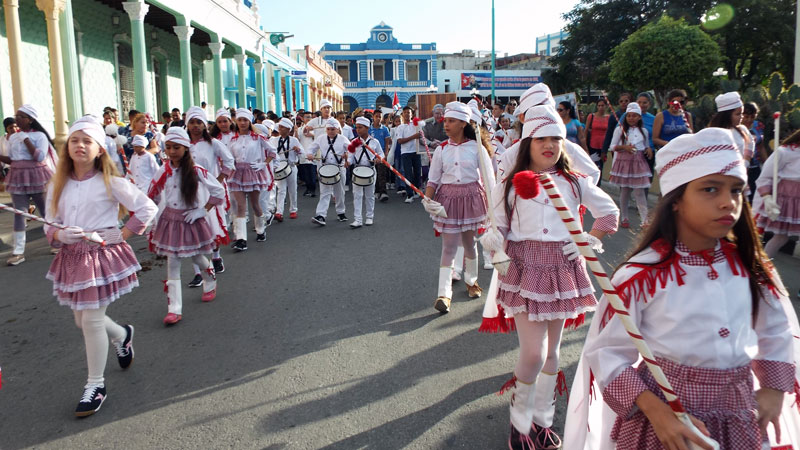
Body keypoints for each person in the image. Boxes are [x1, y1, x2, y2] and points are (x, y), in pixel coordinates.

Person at [565, 127, 800, 450]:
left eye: (735, 190)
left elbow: (776, 331)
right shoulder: (642, 275)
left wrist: (773, 389)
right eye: (710, 189)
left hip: (740, 414)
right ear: (676, 200)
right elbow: (607, 353)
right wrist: (657, 412)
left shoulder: (753, 269)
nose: (727, 203)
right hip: (663, 421)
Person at [480, 103, 618, 450]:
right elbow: (496, 228)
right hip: (526, 269)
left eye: (557, 138)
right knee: (534, 354)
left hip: (563, 268)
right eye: (541, 138)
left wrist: (589, 240)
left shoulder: (575, 183)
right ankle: (519, 424)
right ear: (528, 143)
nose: (550, 145)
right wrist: (496, 248)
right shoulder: (510, 184)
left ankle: (541, 422)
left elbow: (609, 214)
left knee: (553, 353)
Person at [44, 116, 158, 417]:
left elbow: (147, 207)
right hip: (72, 258)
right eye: (74, 140)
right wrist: (60, 234)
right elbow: (49, 226)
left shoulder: (111, 181)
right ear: (67, 147)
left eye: (87, 141)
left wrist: (121, 234)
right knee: (81, 322)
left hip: (100, 256)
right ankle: (122, 335)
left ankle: (96, 385)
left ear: (99, 150)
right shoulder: (57, 186)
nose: (80, 145)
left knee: (92, 322)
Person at [147, 127, 226, 325]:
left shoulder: (197, 170)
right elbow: (152, 193)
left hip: (191, 219)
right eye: (169, 147)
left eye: (177, 147)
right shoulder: (163, 170)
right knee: (172, 261)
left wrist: (203, 210)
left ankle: (210, 279)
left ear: (185, 148)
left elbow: (218, 191)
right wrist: (151, 217)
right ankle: (174, 309)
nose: (172, 151)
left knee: (196, 255)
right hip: (170, 220)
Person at [422, 102, 494, 313]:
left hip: (472, 199)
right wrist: (427, 199)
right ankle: (444, 294)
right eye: (445, 120)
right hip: (449, 201)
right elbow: (433, 180)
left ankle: (471, 281)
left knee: (470, 244)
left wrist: (494, 208)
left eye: (451, 121)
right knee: (448, 247)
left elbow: (489, 181)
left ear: (463, 123)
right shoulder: (441, 149)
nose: (446, 125)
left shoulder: (478, 148)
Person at [496, 83, 601, 185]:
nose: (548, 145)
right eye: (536, 114)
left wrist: (571, 194)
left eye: (546, 112)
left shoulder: (569, 149)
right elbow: (501, 191)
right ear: (522, 118)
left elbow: (592, 174)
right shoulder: (510, 155)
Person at [1, 104, 57, 266]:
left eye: (20, 117)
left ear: (30, 120)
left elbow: (39, 157)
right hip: (17, 175)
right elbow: (12, 159)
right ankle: (18, 252)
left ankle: (55, 242)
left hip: (36, 175)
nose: (17, 119)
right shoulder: (12, 137)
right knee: (19, 213)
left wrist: (25, 139)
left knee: (46, 211)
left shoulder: (40, 136)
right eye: (16, 116)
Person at [185, 106, 234, 278]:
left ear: (205, 125)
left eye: (199, 122)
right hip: (189, 192)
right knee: (191, 228)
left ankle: (216, 256)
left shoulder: (213, 143)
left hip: (210, 193)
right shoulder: (182, 145)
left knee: (212, 226)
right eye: (192, 122)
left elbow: (229, 162)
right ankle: (198, 271)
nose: (195, 126)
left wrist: (218, 181)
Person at [227, 108, 276, 249]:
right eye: (240, 120)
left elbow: (272, 152)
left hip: (253, 173)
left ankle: (261, 229)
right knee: (240, 206)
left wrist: (263, 163)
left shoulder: (258, 137)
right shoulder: (233, 139)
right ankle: (241, 239)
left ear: (250, 122)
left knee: (255, 205)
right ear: (236, 121)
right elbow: (229, 157)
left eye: (245, 120)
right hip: (237, 174)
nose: (242, 123)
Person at [755, 129, 800, 258]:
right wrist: (767, 197)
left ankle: (763, 265)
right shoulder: (784, 152)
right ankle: (762, 265)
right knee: (780, 237)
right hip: (786, 198)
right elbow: (765, 176)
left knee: (782, 237)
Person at [608, 103, 653, 228]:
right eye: (629, 116)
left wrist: (648, 149)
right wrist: (624, 147)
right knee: (625, 190)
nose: (631, 118)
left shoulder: (644, 131)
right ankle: (624, 217)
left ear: (639, 117)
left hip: (638, 162)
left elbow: (646, 145)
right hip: (624, 161)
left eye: (634, 116)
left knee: (639, 192)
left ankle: (644, 220)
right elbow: (612, 146)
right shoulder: (620, 130)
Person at [307, 118, 350, 226]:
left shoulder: (343, 139)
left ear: (337, 129)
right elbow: (311, 148)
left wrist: (347, 155)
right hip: (325, 168)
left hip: (339, 168)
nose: (331, 131)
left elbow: (352, 149)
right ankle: (320, 215)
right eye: (329, 129)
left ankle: (341, 212)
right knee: (324, 192)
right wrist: (310, 154)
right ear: (326, 129)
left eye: (333, 129)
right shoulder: (321, 138)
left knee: (339, 192)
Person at [348, 117, 384, 228]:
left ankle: (369, 217)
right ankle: (357, 219)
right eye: (357, 128)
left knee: (369, 195)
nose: (358, 130)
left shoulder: (374, 142)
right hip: (358, 170)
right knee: (357, 195)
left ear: (367, 128)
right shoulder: (354, 142)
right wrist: (348, 162)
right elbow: (350, 156)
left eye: (360, 127)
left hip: (370, 170)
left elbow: (381, 154)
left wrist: (379, 159)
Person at [270, 117, 304, 221]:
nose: (280, 129)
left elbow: (303, 153)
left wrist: (298, 150)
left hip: (291, 167)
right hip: (280, 168)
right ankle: (279, 212)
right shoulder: (274, 140)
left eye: (282, 127)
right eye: (279, 127)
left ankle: (293, 209)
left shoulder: (294, 140)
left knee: (292, 189)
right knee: (281, 190)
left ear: (288, 129)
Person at [709, 91, 754, 165]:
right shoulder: (714, 133)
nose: (741, 117)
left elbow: (750, 143)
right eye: (738, 114)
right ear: (726, 116)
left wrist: (746, 161)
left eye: (742, 113)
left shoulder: (742, 129)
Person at [395, 106, 423, 203]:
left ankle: (416, 191)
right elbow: (400, 141)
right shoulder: (400, 127)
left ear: (412, 114)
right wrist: (413, 137)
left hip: (416, 151)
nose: (407, 114)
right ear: (402, 114)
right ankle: (409, 194)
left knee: (417, 172)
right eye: (405, 112)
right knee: (408, 173)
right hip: (406, 152)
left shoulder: (415, 124)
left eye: (409, 112)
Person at [742, 102, 769, 202]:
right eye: (746, 116)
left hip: (755, 167)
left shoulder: (758, 126)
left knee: (756, 195)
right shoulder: (736, 128)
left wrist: (767, 164)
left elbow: (761, 147)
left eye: (752, 117)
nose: (749, 120)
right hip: (743, 167)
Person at [369, 111, 392, 202]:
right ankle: (376, 191)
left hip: (381, 154)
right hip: (371, 155)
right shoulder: (369, 129)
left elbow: (387, 143)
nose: (378, 118)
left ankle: (383, 192)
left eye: (380, 117)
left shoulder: (385, 129)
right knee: (374, 173)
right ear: (373, 117)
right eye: (376, 116)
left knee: (382, 173)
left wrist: (386, 154)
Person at [586, 98, 610, 182]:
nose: (600, 107)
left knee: (601, 165)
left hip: (603, 145)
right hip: (593, 144)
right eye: (599, 106)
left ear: (606, 106)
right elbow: (586, 130)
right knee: (593, 164)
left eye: (602, 105)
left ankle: (599, 183)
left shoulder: (609, 118)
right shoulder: (591, 116)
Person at [296, 110, 318, 197]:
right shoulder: (300, 129)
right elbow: (297, 140)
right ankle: (308, 188)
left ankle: (312, 190)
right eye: (307, 117)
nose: (309, 119)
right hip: (303, 153)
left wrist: (312, 135)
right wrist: (295, 131)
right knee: (305, 174)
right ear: (302, 118)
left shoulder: (315, 129)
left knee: (312, 173)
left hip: (312, 153)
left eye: (310, 117)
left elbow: (319, 139)